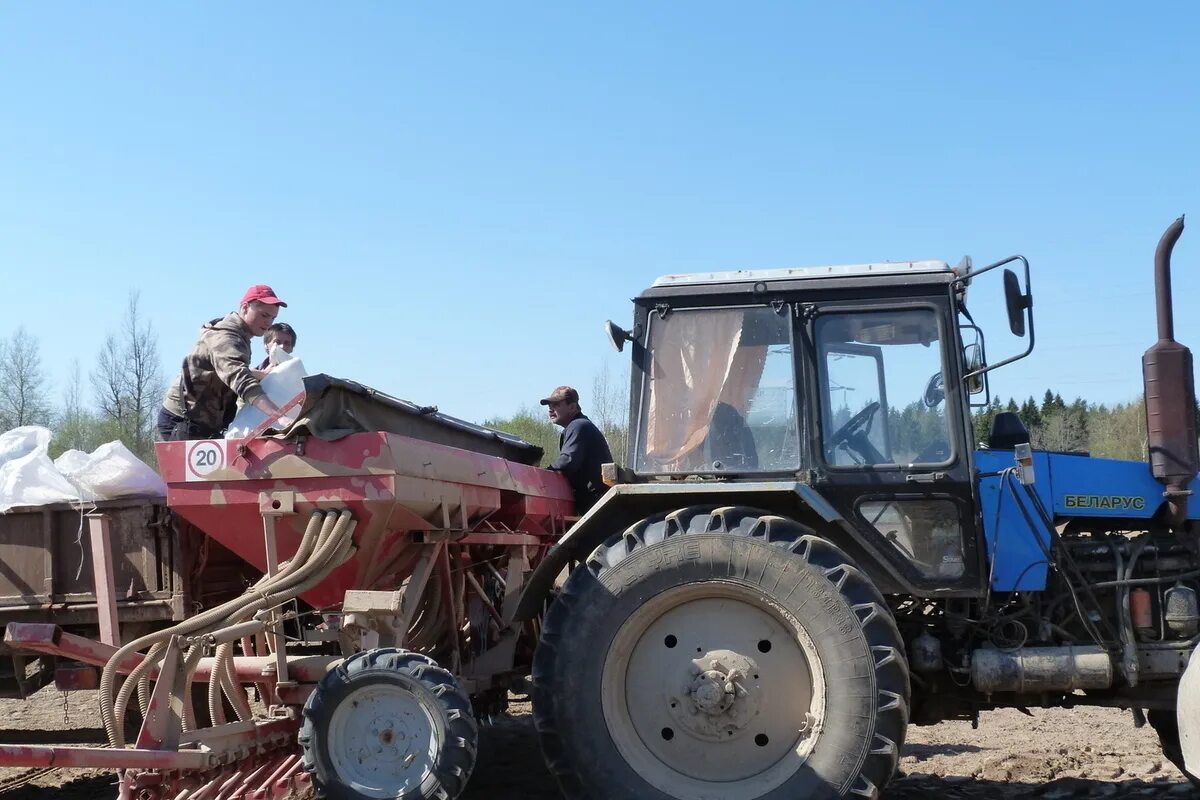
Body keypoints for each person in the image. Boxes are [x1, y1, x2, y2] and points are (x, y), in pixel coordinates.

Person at [156, 285, 288, 441]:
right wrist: (279, 417)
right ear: (245, 308)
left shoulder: (240, 335)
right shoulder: (227, 337)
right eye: (264, 315)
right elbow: (240, 378)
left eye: (272, 318)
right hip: (183, 421)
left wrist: (262, 374)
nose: (268, 323)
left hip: (203, 421)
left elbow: (225, 369)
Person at [541, 385, 613, 512]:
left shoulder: (579, 426)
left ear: (572, 407)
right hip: (596, 501)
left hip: (595, 502)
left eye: (557, 405)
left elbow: (568, 461)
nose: (551, 410)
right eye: (549, 406)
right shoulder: (579, 425)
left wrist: (542, 475)